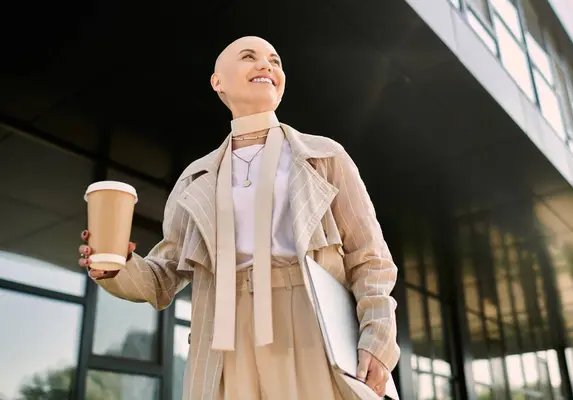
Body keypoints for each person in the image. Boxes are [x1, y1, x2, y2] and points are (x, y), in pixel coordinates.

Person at [79, 36, 400, 400]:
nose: (266, 66)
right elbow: (163, 277)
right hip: (222, 332)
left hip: (313, 321)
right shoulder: (195, 178)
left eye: (275, 61)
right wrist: (116, 265)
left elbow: (369, 256)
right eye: (249, 57)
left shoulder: (325, 157)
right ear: (218, 81)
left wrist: (378, 336)